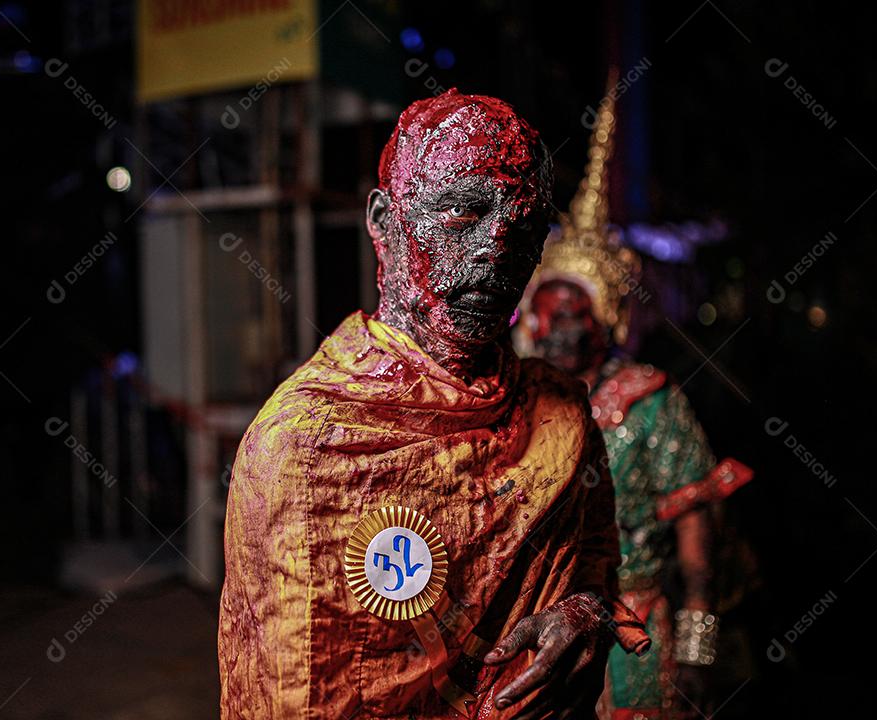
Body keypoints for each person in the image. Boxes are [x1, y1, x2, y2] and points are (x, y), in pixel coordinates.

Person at [219, 88, 650, 720]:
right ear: (384, 220)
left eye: (525, 228)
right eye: (464, 213)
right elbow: (285, 692)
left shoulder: (559, 411)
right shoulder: (306, 445)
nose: (496, 252)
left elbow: (597, 569)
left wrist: (582, 614)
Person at [515, 88, 752, 720]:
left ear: (608, 321)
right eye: (549, 315)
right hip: (533, 628)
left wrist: (700, 648)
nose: (561, 330)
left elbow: (695, 535)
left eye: (577, 315)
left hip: (634, 629)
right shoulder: (518, 397)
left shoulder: (648, 402)